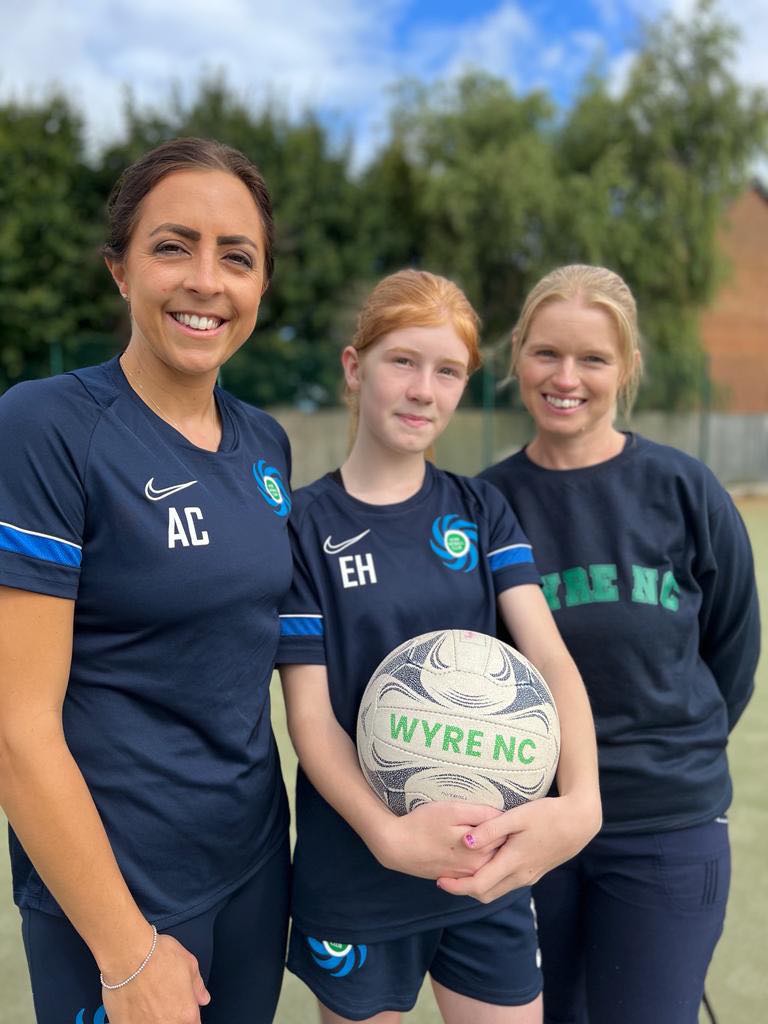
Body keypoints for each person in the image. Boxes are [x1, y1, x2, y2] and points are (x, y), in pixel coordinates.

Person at [0, 138, 293, 1024]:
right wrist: (127, 954)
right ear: (121, 270)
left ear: (260, 288)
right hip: (122, 901)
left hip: (252, 868)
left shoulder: (267, 443)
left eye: (236, 257)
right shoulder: (45, 425)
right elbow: (16, 729)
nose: (207, 280)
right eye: (173, 246)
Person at [276, 269, 601, 1024]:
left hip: (483, 865)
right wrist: (387, 834)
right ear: (355, 369)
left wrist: (582, 801)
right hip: (359, 867)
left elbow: (549, 660)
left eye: (448, 370)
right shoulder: (301, 527)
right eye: (403, 361)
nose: (425, 389)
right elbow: (312, 719)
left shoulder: (481, 511)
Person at [480, 263, 760, 1024]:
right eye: (546, 353)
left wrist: (671, 757)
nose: (565, 377)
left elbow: (732, 650)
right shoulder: (484, 504)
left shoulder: (683, 488)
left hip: (665, 829)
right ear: (517, 355)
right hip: (533, 830)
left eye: (593, 359)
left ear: (627, 367)